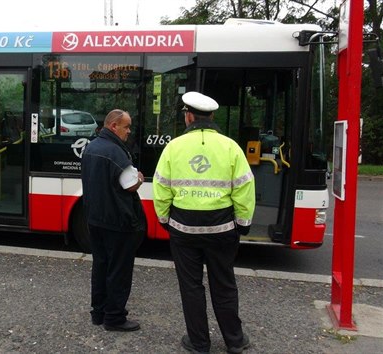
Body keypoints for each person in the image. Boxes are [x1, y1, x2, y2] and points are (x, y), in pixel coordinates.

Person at [153, 92, 255, 354]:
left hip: (183, 229)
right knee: (224, 284)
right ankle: (235, 340)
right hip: (222, 230)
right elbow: (244, 187)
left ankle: (199, 343)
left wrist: (165, 219)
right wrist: (242, 223)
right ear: (212, 116)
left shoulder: (173, 147)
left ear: (188, 116)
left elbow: (161, 187)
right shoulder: (231, 146)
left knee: (191, 286)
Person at [80, 109, 146, 332]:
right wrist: (139, 179)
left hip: (95, 219)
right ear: (114, 126)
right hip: (118, 222)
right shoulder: (117, 152)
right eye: (126, 126)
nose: (129, 131)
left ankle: (98, 313)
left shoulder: (91, 147)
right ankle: (115, 318)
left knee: (100, 266)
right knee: (118, 270)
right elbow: (129, 185)